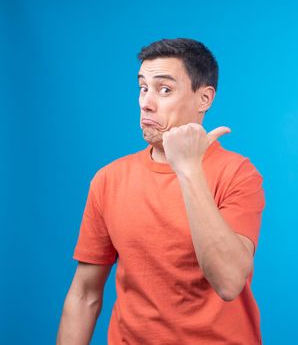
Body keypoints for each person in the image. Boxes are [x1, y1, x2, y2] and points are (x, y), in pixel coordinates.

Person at [56, 38, 265, 344]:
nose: (146, 102)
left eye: (164, 89)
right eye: (143, 88)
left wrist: (189, 168)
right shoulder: (109, 179)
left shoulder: (237, 173)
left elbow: (229, 282)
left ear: (204, 99)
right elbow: (85, 294)